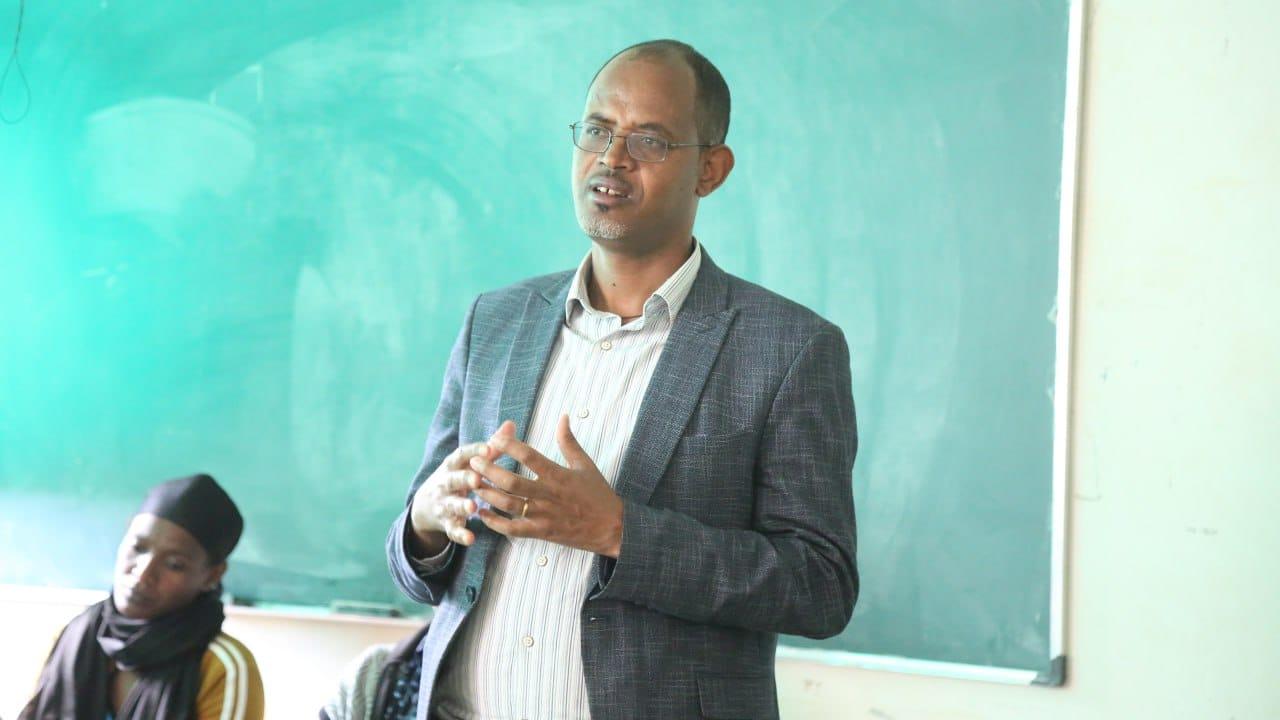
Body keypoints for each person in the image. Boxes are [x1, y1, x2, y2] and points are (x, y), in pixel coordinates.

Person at [386, 39, 857, 720]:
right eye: (598, 130)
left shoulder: (788, 349)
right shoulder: (496, 320)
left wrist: (620, 531)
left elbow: (820, 587)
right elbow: (419, 566)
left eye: (650, 141)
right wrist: (426, 522)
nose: (612, 158)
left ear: (710, 170)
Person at [21, 473, 265, 720]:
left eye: (174, 564)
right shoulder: (74, 635)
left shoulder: (222, 666)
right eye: (137, 548)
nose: (143, 575)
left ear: (212, 576)